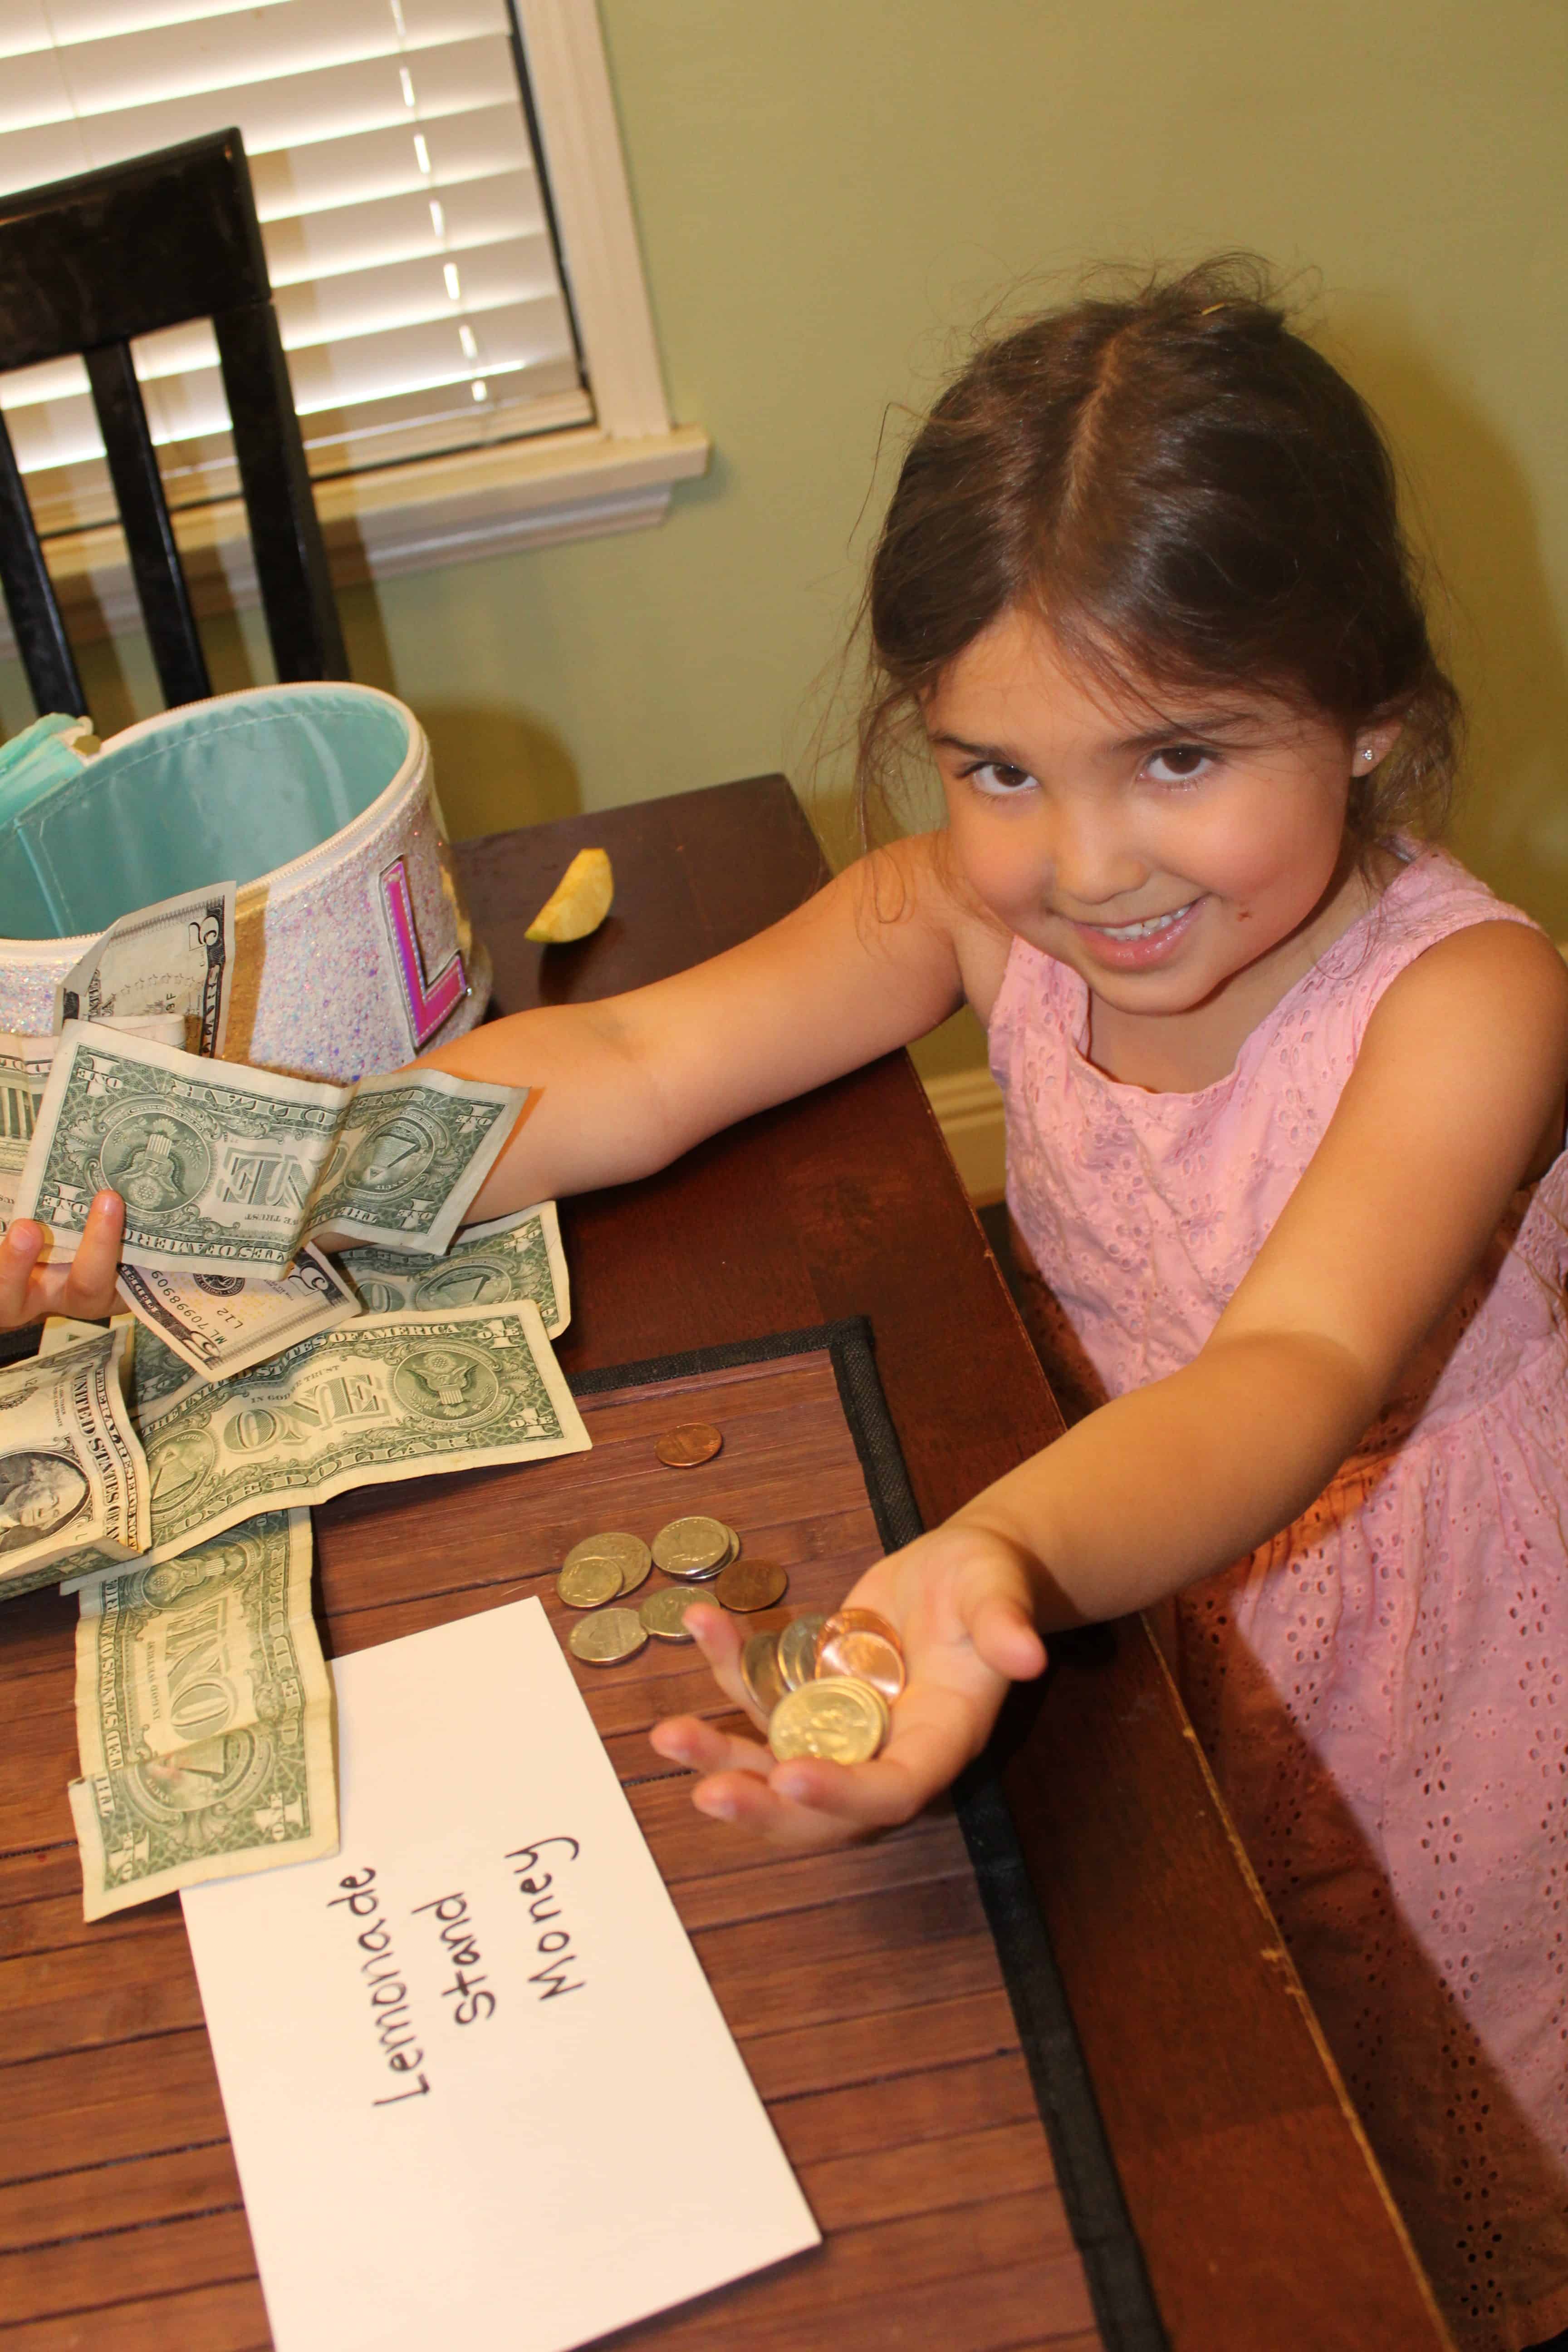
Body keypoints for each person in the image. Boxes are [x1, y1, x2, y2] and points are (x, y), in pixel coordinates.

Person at [4, 259, 1563, 2351]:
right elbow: (634, 1067)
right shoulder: (965, 913)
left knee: (1393, 2115)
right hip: (1116, 1585)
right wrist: (279, 1167)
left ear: (1369, 714)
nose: (1085, 863)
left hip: (1419, 1660)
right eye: (995, 768)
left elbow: (1287, 1371)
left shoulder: (1474, 1005)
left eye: (1180, 755)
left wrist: (1001, 1542)